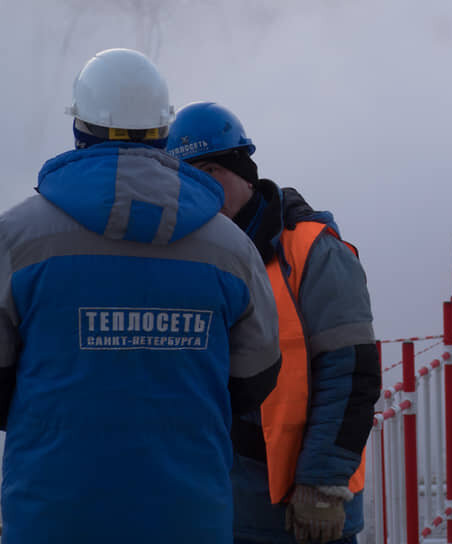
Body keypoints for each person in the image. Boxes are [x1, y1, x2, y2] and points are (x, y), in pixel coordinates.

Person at [0, 49, 281, 543]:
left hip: (52, 516)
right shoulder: (230, 247)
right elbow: (257, 373)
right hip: (189, 516)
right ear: (163, 132)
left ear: (79, 129)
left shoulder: (17, 238)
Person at [167, 102, 381, 544]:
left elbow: (351, 372)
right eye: (187, 177)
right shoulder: (182, 254)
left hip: (301, 516)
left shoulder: (312, 251)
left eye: (211, 172)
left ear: (244, 172)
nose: (201, 189)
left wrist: (322, 485)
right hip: (213, 511)